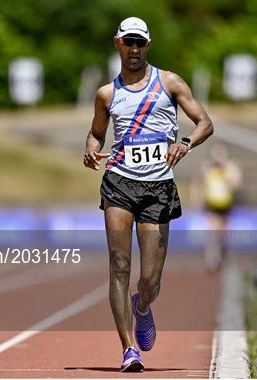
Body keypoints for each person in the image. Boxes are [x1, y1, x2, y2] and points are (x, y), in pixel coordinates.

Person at [83, 17, 213, 372]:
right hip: (119, 183)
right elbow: (96, 134)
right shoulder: (106, 94)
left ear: (148, 45)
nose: (134, 49)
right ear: (118, 44)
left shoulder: (169, 82)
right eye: (129, 43)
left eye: (140, 43)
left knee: (150, 279)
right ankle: (129, 351)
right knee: (119, 265)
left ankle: (142, 306)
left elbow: (205, 123)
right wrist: (90, 149)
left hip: (158, 187)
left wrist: (185, 143)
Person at [201, 144, 242, 270]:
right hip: (212, 204)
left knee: (223, 232)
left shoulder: (231, 168)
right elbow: (201, 183)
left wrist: (225, 172)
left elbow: (236, 185)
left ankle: (222, 254)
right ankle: (211, 257)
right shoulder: (208, 168)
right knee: (213, 231)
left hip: (226, 204)